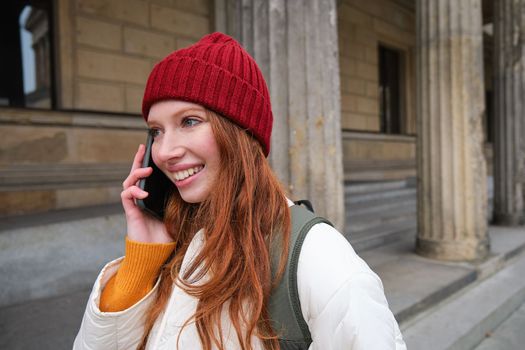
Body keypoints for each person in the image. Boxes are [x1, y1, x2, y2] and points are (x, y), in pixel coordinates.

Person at [73, 32, 406, 350]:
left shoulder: (318, 257)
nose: (163, 151)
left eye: (189, 121)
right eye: (156, 131)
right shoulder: (174, 242)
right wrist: (140, 262)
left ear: (240, 134)